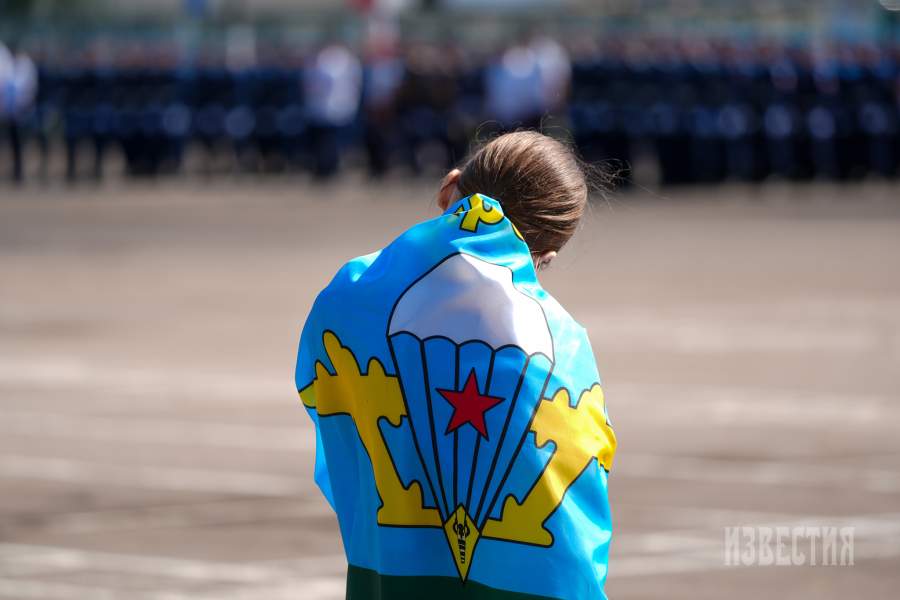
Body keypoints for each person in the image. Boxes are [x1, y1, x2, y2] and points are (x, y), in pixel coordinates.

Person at [295, 131, 617, 599]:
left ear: (450, 188)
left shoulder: (351, 296)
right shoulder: (559, 344)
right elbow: (578, 501)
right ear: (544, 255)